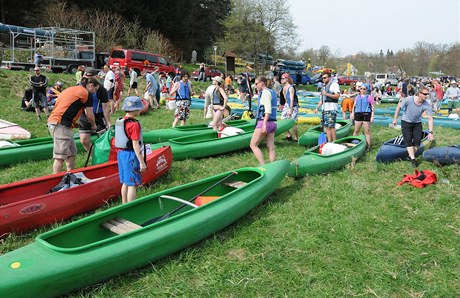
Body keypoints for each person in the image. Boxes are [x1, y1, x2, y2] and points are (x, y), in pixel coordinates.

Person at [47, 78, 99, 174]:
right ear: (91, 85)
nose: (94, 92)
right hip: (60, 124)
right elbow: (90, 115)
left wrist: (74, 123)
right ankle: (54, 182)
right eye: (95, 89)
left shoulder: (71, 89)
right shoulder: (86, 93)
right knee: (60, 156)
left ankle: (69, 176)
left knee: (71, 153)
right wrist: (93, 125)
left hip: (59, 122)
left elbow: (64, 107)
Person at [114, 96, 147, 204]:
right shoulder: (134, 125)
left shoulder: (121, 121)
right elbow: (135, 145)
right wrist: (142, 162)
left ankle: (124, 204)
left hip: (121, 154)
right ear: (135, 109)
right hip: (130, 156)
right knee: (132, 184)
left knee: (125, 182)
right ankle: (130, 206)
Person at [392, 86, 434, 168]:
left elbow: (430, 119)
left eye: (427, 94)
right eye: (425, 94)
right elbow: (399, 107)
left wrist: (430, 132)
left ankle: (409, 155)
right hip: (406, 122)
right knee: (408, 140)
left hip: (417, 123)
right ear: (419, 93)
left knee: (417, 142)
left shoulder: (427, 104)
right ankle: (413, 160)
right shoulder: (409, 99)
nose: (427, 96)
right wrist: (395, 119)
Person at [78, 67, 111, 153]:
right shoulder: (80, 87)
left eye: (91, 77)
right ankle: (94, 156)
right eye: (86, 77)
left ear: (95, 77)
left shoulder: (101, 90)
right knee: (84, 140)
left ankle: (105, 155)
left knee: (103, 138)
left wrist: (108, 123)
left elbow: (105, 107)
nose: (88, 80)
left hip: (98, 116)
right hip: (84, 116)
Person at [250, 76, 277, 165]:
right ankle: (272, 166)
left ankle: (263, 165)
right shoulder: (272, 92)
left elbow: (268, 110)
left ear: (262, 83)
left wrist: (264, 124)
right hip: (273, 123)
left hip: (265, 122)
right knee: (270, 147)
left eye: (256, 83)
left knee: (253, 145)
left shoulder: (265, 92)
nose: (255, 85)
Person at [314, 72, 341, 142]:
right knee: (326, 127)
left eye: (325, 78)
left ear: (329, 78)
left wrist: (327, 94)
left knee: (331, 126)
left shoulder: (334, 85)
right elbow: (322, 100)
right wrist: (317, 108)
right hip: (324, 109)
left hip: (331, 108)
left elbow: (337, 96)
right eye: (322, 78)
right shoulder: (323, 87)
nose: (323, 79)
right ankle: (329, 141)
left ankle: (334, 141)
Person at [351, 86, 374, 150]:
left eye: (364, 89)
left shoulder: (369, 97)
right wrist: (352, 113)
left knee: (367, 131)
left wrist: (372, 117)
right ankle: (353, 144)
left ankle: (368, 146)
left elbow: (372, 107)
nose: (362, 90)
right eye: (361, 89)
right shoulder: (357, 97)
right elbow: (354, 106)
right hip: (358, 114)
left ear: (366, 90)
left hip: (366, 114)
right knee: (356, 130)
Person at [280, 73, 299, 142]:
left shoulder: (291, 88)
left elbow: (291, 99)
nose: (281, 80)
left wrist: (290, 110)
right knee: (283, 119)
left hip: (293, 106)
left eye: (283, 78)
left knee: (292, 122)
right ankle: (288, 135)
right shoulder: (283, 88)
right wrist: (284, 106)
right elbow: (285, 99)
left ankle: (296, 138)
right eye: (281, 78)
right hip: (287, 105)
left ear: (287, 79)